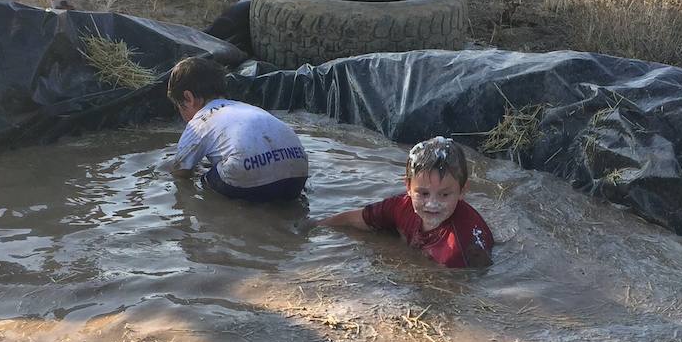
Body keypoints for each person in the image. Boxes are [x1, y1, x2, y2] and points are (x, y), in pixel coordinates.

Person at [320, 137, 493, 269]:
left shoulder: (459, 248)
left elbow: (458, 286)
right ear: (408, 187)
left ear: (462, 191)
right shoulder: (401, 206)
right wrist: (315, 225)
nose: (432, 203)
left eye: (445, 194)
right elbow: (353, 220)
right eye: (424, 193)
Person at [167, 57, 310, 203]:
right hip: (297, 171)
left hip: (245, 175)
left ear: (188, 97)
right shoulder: (245, 107)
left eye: (179, 107)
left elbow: (180, 171)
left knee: (204, 181)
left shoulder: (199, 121)